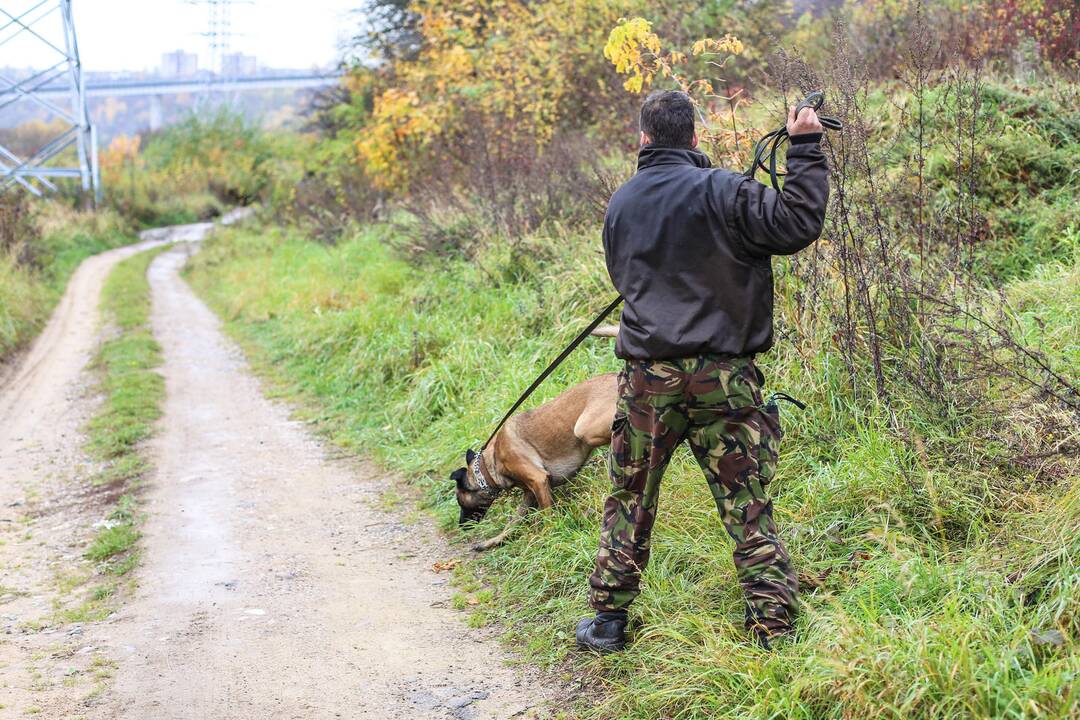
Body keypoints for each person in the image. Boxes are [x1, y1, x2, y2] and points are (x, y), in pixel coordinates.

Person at [576, 90, 829, 653]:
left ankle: (609, 622)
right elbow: (797, 223)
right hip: (725, 378)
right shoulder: (727, 191)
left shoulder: (622, 203)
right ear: (695, 137)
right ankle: (772, 626)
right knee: (746, 500)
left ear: (644, 139)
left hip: (647, 380)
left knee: (629, 495)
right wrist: (806, 146)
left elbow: (623, 276)